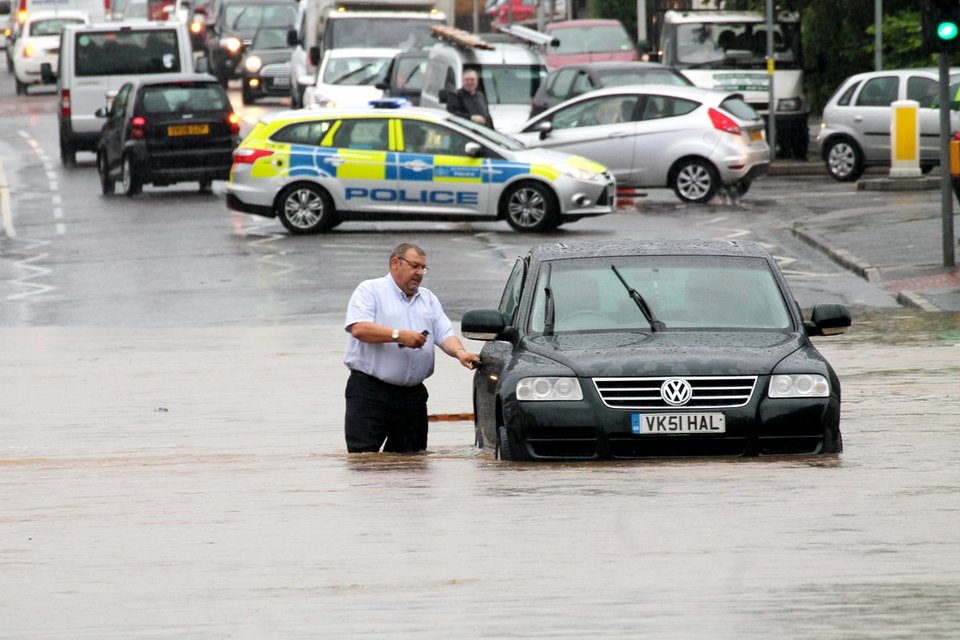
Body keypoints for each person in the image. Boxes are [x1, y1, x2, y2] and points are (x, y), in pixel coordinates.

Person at [343, 243, 481, 453]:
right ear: (395, 263)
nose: (419, 273)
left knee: (413, 465)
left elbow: (445, 334)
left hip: (412, 397)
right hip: (370, 393)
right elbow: (359, 329)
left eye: (423, 268)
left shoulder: (428, 298)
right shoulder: (370, 290)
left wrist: (460, 353)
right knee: (364, 463)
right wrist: (398, 335)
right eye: (415, 266)